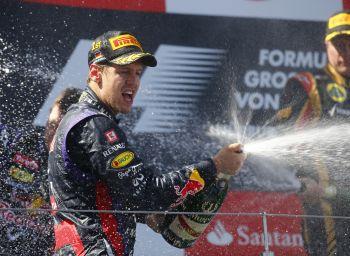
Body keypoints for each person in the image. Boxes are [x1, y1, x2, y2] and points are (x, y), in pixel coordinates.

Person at [48, 30, 246, 256]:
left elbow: (100, 196)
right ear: (96, 72)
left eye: (138, 73)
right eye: (123, 71)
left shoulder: (79, 118)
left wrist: (148, 216)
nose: (133, 81)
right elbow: (147, 192)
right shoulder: (95, 125)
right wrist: (216, 166)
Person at [275, 10, 350, 256]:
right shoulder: (309, 84)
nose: (345, 52)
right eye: (339, 45)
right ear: (327, 45)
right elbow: (282, 137)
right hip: (327, 203)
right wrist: (302, 177)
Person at [0, 87, 81, 255]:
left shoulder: (85, 169)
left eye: (62, 131)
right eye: (51, 125)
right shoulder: (17, 143)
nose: (53, 135)